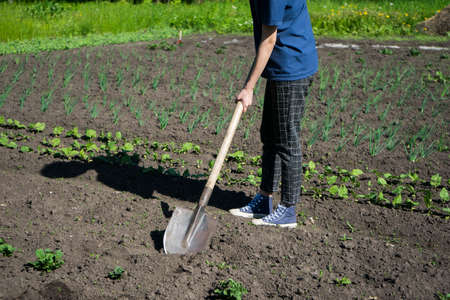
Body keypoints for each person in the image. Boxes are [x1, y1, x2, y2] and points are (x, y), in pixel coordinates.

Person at [229, 0, 318, 228]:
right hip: (280, 66)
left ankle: (288, 209)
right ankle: (264, 199)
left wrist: (249, 88)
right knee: (269, 134)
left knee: (286, 139)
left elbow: (269, 39)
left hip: (291, 67)